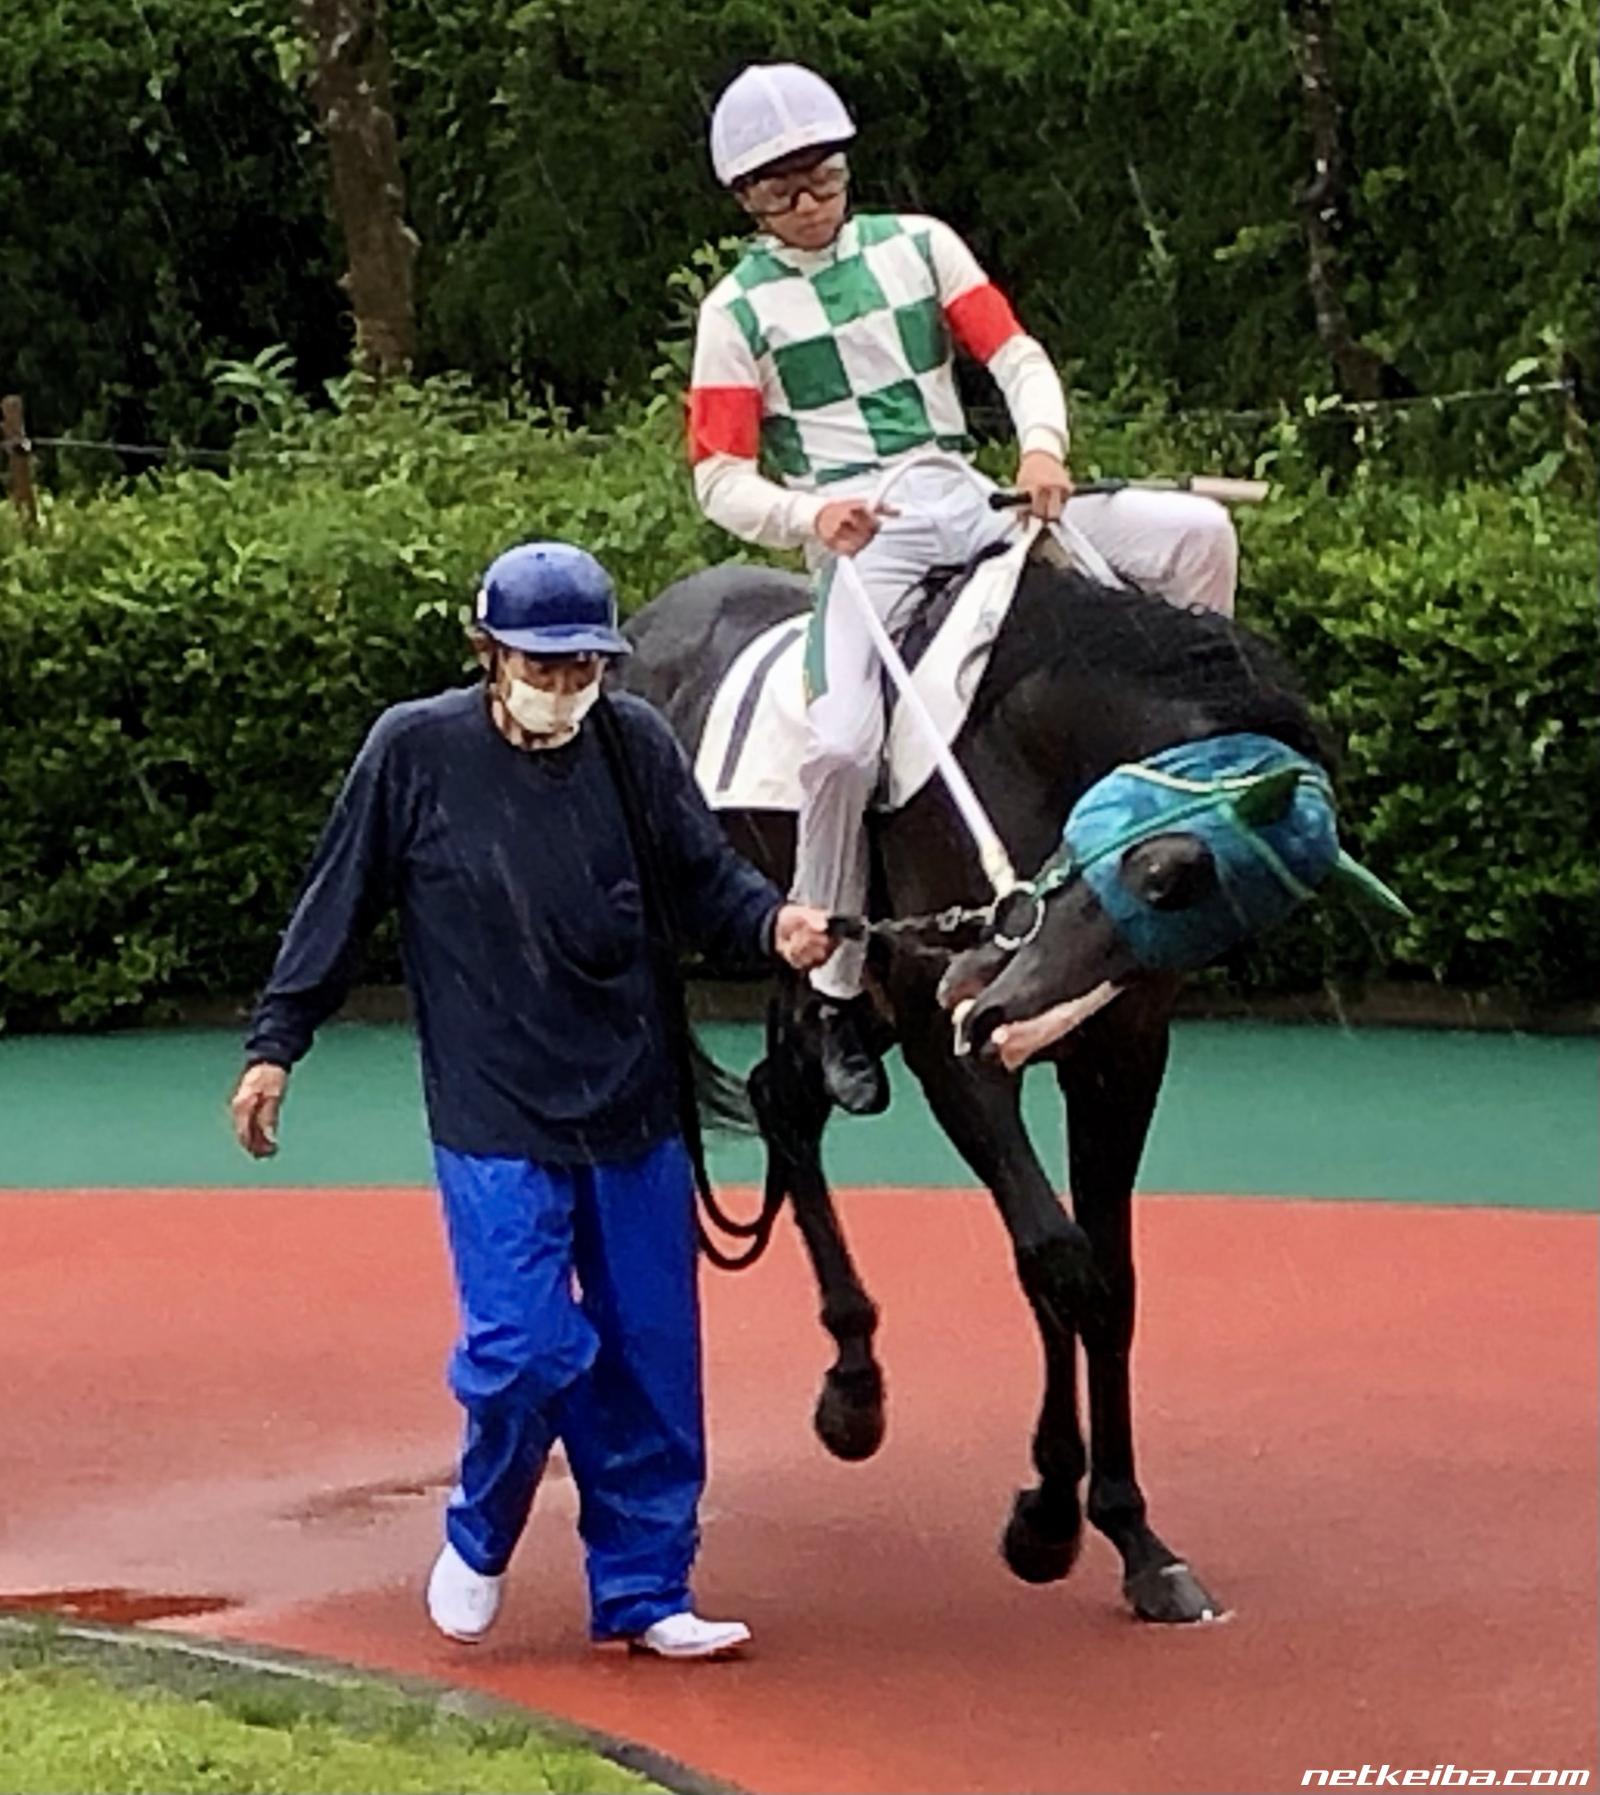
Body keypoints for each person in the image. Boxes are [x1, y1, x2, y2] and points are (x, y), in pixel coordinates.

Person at [230, 541, 835, 1659]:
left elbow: (706, 879)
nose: (563, 685)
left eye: (582, 666)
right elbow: (337, 899)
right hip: (495, 1110)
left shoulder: (634, 743)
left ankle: (646, 1589)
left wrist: (773, 924)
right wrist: (277, 1044)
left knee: (652, 1357)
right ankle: (483, 1525)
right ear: (488, 653)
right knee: (521, 1350)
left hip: (633, 1100)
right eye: (541, 665)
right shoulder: (413, 750)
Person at [688, 61, 1239, 1115]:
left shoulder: (920, 244)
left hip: (979, 501)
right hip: (866, 542)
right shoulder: (736, 311)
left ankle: (1201, 761)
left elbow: (1016, 354)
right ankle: (836, 991)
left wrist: (1042, 446)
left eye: (824, 177)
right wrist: (810, 516)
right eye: (784, 191)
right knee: (839, 746)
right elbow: (718, 477)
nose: (810, 202)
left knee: (1197, 535)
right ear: (746, 199)